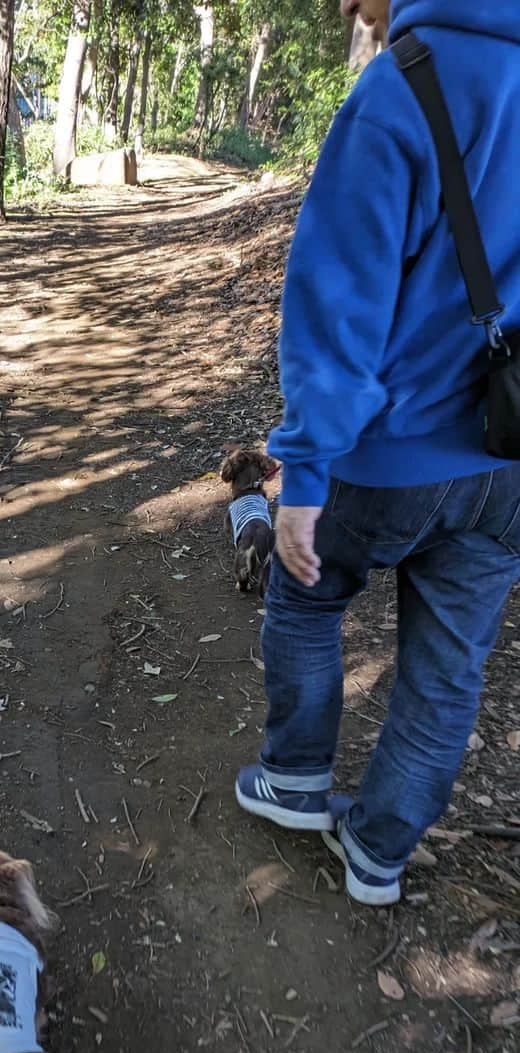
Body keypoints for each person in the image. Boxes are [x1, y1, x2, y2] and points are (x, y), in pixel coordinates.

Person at [235, 0, 520, 906]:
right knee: (448, 670)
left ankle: (296, 778)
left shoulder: (403, 87)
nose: (349, 8)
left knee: (307, 597)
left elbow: (337, 304)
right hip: (506, 464)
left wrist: (305, 476)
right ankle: (381, 852)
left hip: (386, 456)